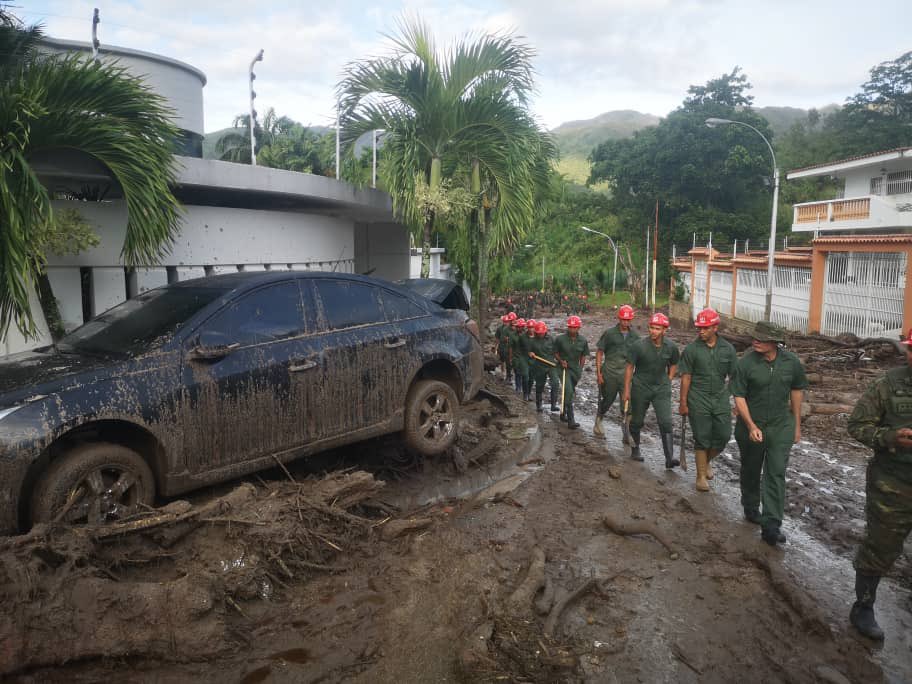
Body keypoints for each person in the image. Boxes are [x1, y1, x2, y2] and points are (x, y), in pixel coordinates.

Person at [845, 327, 912, 640]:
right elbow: (857, 426)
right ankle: (864, 606)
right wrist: (888, 438)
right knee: (881, 548)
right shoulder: (888, 385)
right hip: (893, 486)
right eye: (910, 350)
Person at [731, 320, 807, 547]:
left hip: (780, 425)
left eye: (761, 338)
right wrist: (751, 426)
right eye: (754, 337)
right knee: (751, 469)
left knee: (775, 472)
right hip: (750, 425)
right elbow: (739, 396)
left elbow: (796, 390)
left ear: (775, 342)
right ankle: (751, 506)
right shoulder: (745, 363)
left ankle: (771, 524)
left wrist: (796, 424)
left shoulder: (791, 363)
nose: (755, 341)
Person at [678, 308, 738, 492]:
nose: (701, 331)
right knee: (702, 438)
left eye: (705, 328)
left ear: (715, 327)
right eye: (699, 328)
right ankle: (700, 476)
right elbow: (686, 377)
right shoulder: (692, 349)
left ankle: (706, 461)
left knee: (723, 436)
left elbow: (734, 376)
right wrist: (683, 402)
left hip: (720, 398)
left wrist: (735, 400)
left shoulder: (728, 349)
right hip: (698, 397)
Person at [623, 312, 679, 467]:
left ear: (664, 330)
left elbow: (674, 363)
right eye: (652, 328)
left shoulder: (671, 347)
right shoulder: (638, 346)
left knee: (666, 421)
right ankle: (635, 449)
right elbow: (629, 368)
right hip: (641, 387)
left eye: (657, 328)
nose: (653, 331)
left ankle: (669, 458)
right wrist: (627, 390)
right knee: (637, 421)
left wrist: (669, 379)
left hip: (661, 388)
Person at [594, 304, 640, 437]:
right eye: (623, 319)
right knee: (607, 399)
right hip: (610, 372)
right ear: (619, 318)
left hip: (626, 375)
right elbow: (599, 352)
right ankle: (599, 419)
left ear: (631, 320)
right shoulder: (609, 333)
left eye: (628, 320)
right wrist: (599, 373)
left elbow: (639, 357)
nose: (625, 322)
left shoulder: (635, 337)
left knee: (627, 403)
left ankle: (626, 430)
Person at [554, 315, 589, 429]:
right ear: (568, 327)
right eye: (571, 327)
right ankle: (571, 419)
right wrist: (560, 360)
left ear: (579, 328)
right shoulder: (560, 339)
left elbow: (583, 355)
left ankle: (563, 412)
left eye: (575, 328)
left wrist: (580, 368)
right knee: (568, 391)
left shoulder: (583, 340)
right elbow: (555, 352)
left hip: (575, 370)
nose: (573, 330)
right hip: (563, 369)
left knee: (569, 391)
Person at [528, 321, 558, 413]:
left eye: (542, 333)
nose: (541, 334)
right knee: (539, 386)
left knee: (555, 383)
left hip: (551, 365)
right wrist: (531, 353)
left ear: (545, 331)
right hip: (539, 366)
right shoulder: (532, 341)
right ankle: (539, 405)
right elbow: (529, 352)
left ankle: (553, 405)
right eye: (539, 333)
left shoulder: (551, 339)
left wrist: (560, 360)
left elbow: (556, 351)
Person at [511, 318, 531, 399]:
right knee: (517, 372)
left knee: (526, 375)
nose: (519, 328)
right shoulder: (513, 335)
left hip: (526, 357)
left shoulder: (528, 335)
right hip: (516, 357)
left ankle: (525, 390)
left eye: (521, 327)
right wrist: (511, 358)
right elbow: (511, 348)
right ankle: (518, 387)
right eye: (518, 327)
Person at [495, 313, 515, 381]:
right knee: (503, 360)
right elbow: (498, 339)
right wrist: (496, 348)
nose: (506, 323)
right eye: (505, 322)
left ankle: (509, 373)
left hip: (513, 349)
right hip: (504, 347)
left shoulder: (516, 328)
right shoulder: (502, 329)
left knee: (511, 362)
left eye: (507, 322)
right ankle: (504, 373)